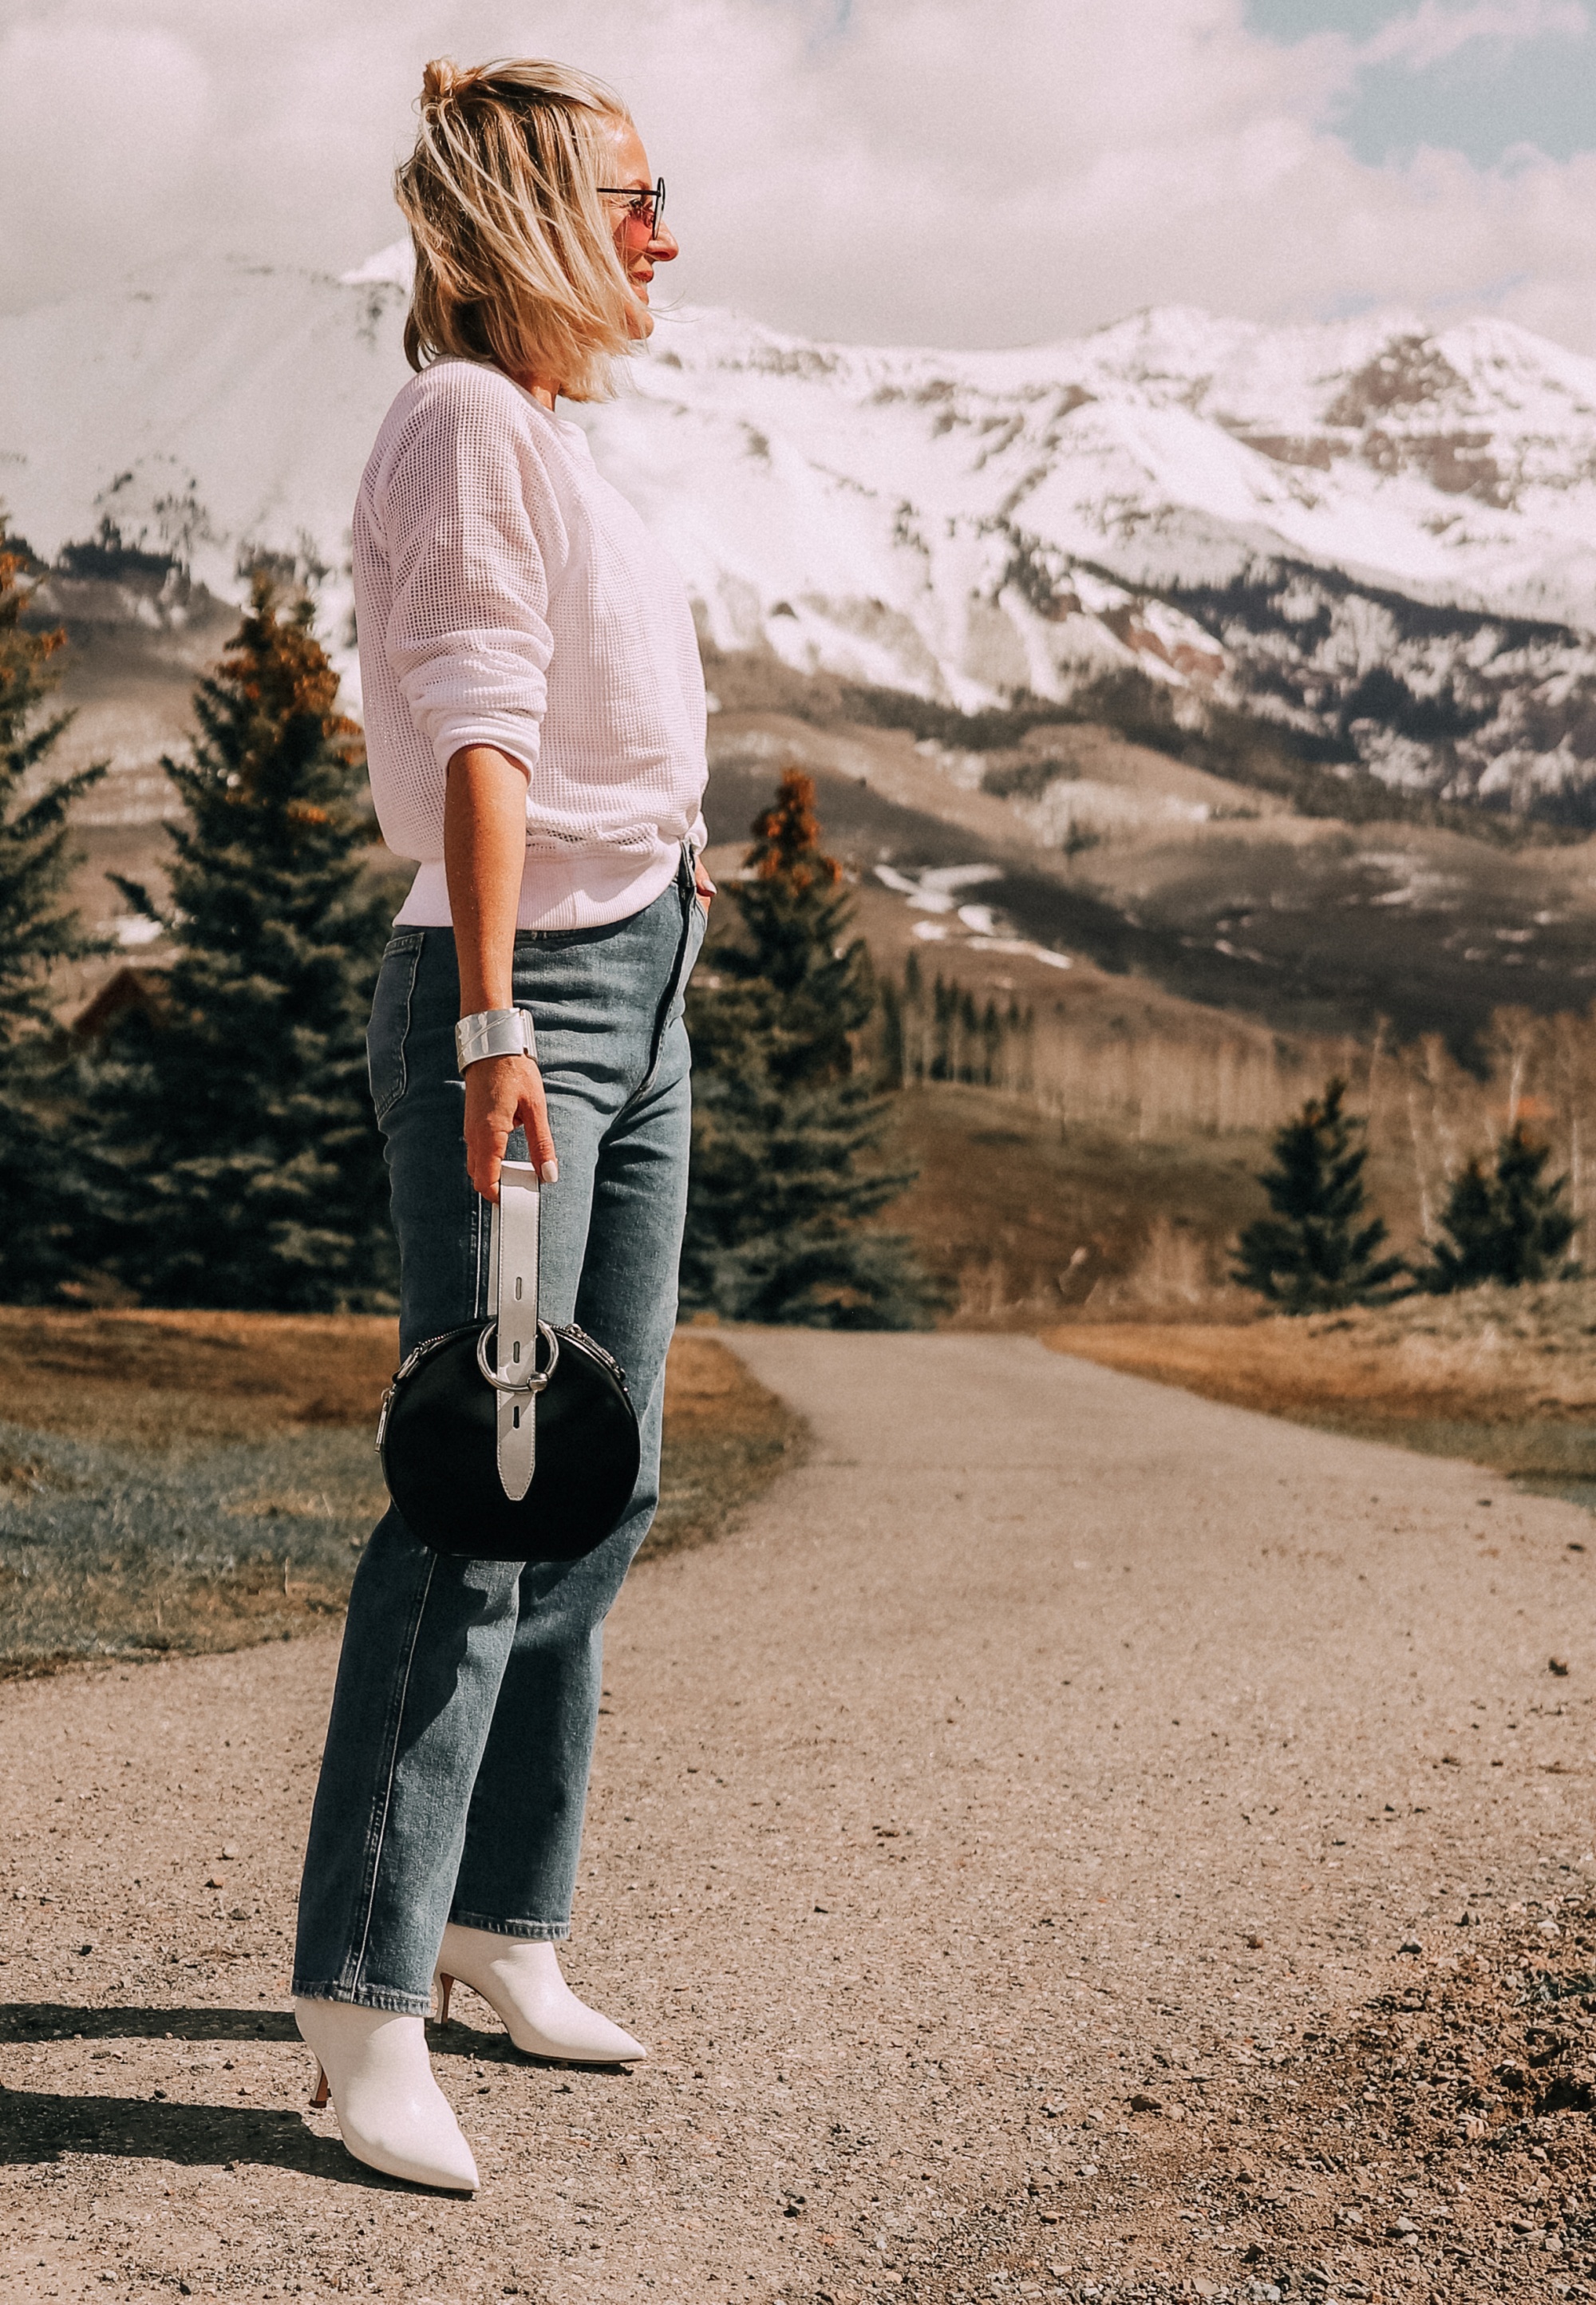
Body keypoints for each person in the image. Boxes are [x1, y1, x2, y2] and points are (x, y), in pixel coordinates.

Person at [290, 56, 712, 2192]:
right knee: (485, 1477)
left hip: (636, 986)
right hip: (517, 994)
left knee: (597, 1486)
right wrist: (484, 1022)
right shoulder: (460, 423)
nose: (664, 235)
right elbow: (477, 726)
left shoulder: (555, 442)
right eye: (636, 200)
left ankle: (496, 1924)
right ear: (538, 216)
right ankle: (364, 2003)